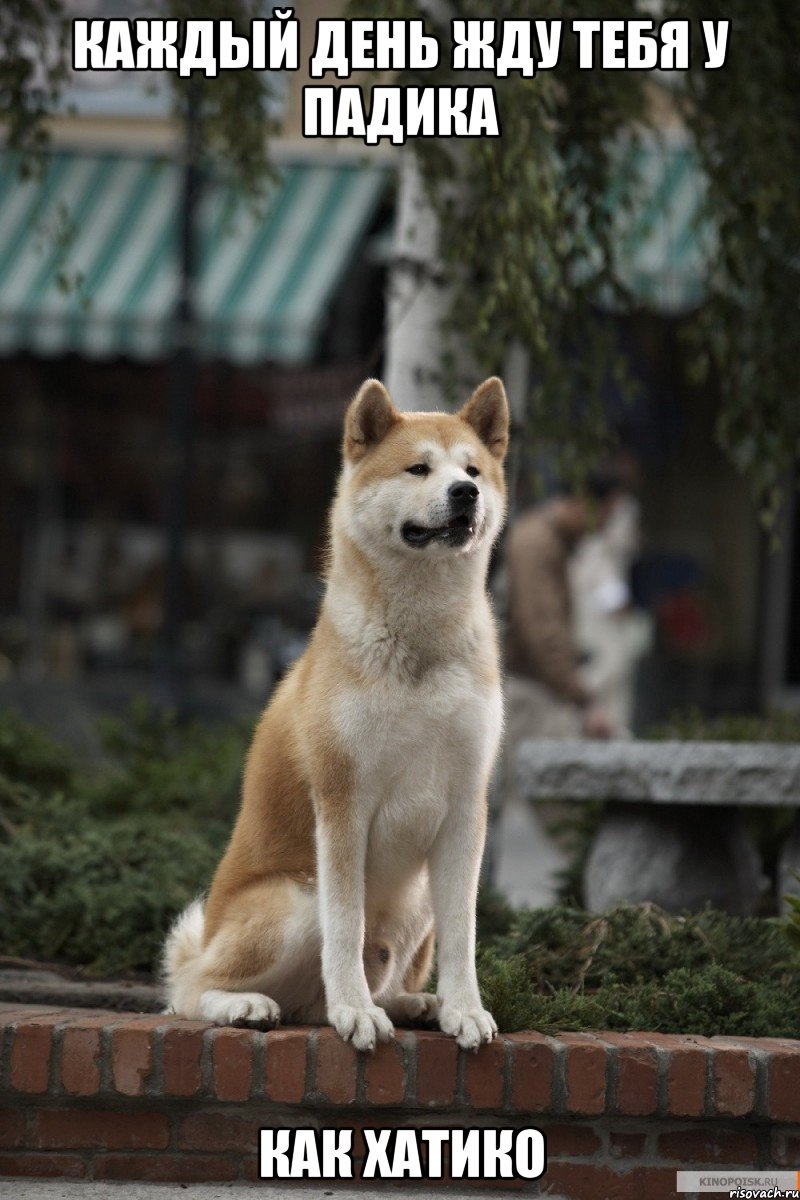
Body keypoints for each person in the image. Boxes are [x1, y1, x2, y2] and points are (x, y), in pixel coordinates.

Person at [504, 470, 627, 743]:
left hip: (537, 687)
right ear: (586, 502)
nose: (605, 527)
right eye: (606, 515)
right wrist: (583, 701)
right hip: (527, 691)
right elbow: (542, 630)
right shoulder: (538, 544)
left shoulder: (551, 541)